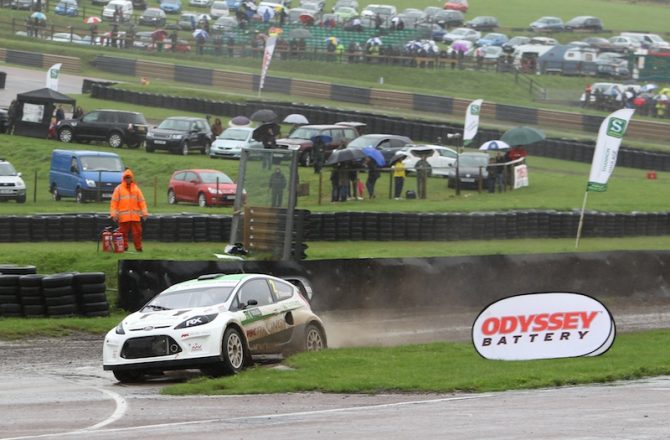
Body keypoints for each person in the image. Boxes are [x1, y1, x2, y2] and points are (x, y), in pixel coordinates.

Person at [110, 169, 148, 252]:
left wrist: (145, 213)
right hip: (123, 217)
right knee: (123, 234)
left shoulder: (136, 189)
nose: (128, 179)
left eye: (129, 177)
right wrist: (113, 215)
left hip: (135, 217)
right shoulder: (118, 189)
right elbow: (114, 203)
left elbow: (142, 201)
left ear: (132, 178)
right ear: (124, 178)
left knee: (137, 233)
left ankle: (138, 248)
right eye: (126, 177)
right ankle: (124, 247)